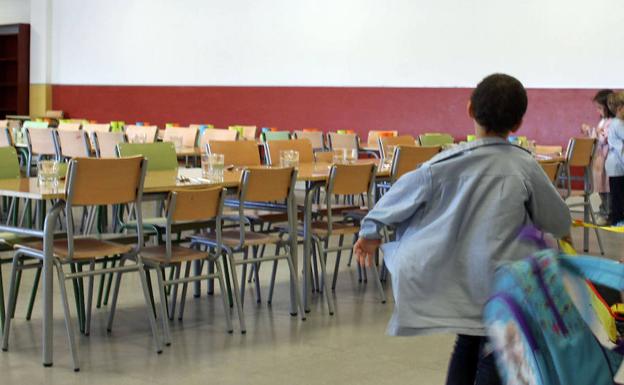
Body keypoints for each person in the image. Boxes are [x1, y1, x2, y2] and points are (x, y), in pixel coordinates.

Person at [354, 73, 572, 385]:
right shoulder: (525, 167)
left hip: (464, 284)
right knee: (500, 353)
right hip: (507, 287)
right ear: (519, 124)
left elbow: (400, 194)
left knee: (468, 344)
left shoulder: (443, 162)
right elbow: (558, 219)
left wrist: (371, 231)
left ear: (469, 109)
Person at [581, 89, 615, 225]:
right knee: (601, 188)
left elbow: (603, 138)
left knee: (608, 189)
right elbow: (597, 136)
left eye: (600, 108)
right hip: (600, 160)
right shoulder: (603, 121)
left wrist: (591, 130)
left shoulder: (613, 122)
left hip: (608, 160)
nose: (598, 111)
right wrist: (591, 131)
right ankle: (604, 211)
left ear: (609, 107)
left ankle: (607, 214)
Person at [605, 91, 624, 226]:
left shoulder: (618, 123)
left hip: (618, 164)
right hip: (617, 165)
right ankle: (617, 220)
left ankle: (618, 219)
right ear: (620, 109)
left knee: (619, 194)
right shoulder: (618, 124)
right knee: (618, 195)